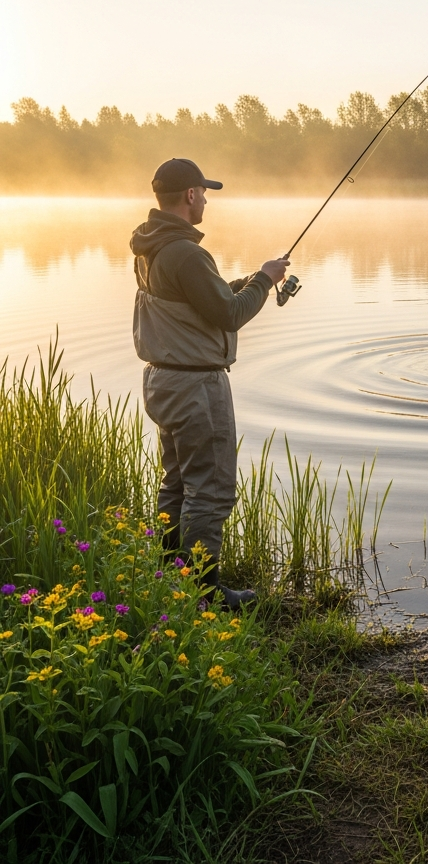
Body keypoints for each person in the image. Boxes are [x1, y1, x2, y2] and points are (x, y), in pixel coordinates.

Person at [130, 158, 289, 607]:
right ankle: (203, 594)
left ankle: (171, 577)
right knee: (211, 490)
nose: (206, 201)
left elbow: (201, 299)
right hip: (196, 387)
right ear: (190, 195)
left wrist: (249, 280)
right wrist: (264, 279)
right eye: (204, 193)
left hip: (163, 382)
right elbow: (230, 313)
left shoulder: (153, 246)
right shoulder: (186, 252)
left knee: (177, 483)